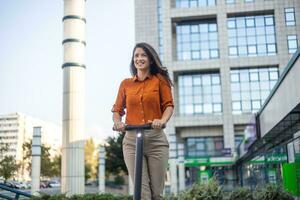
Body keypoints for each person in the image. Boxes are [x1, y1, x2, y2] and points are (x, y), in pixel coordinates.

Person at [111, 42, 174, 200]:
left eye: (143, 55)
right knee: (141, 193)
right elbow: (117, 110)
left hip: (156, 140)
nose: (139, 58)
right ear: (133, 60)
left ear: (151, 59)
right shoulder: (126, 84)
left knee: (157, 194)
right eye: (136, 56)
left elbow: (168, 105)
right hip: (132, 141)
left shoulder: (160, 80)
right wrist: (118, 122)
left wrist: (162, 120)